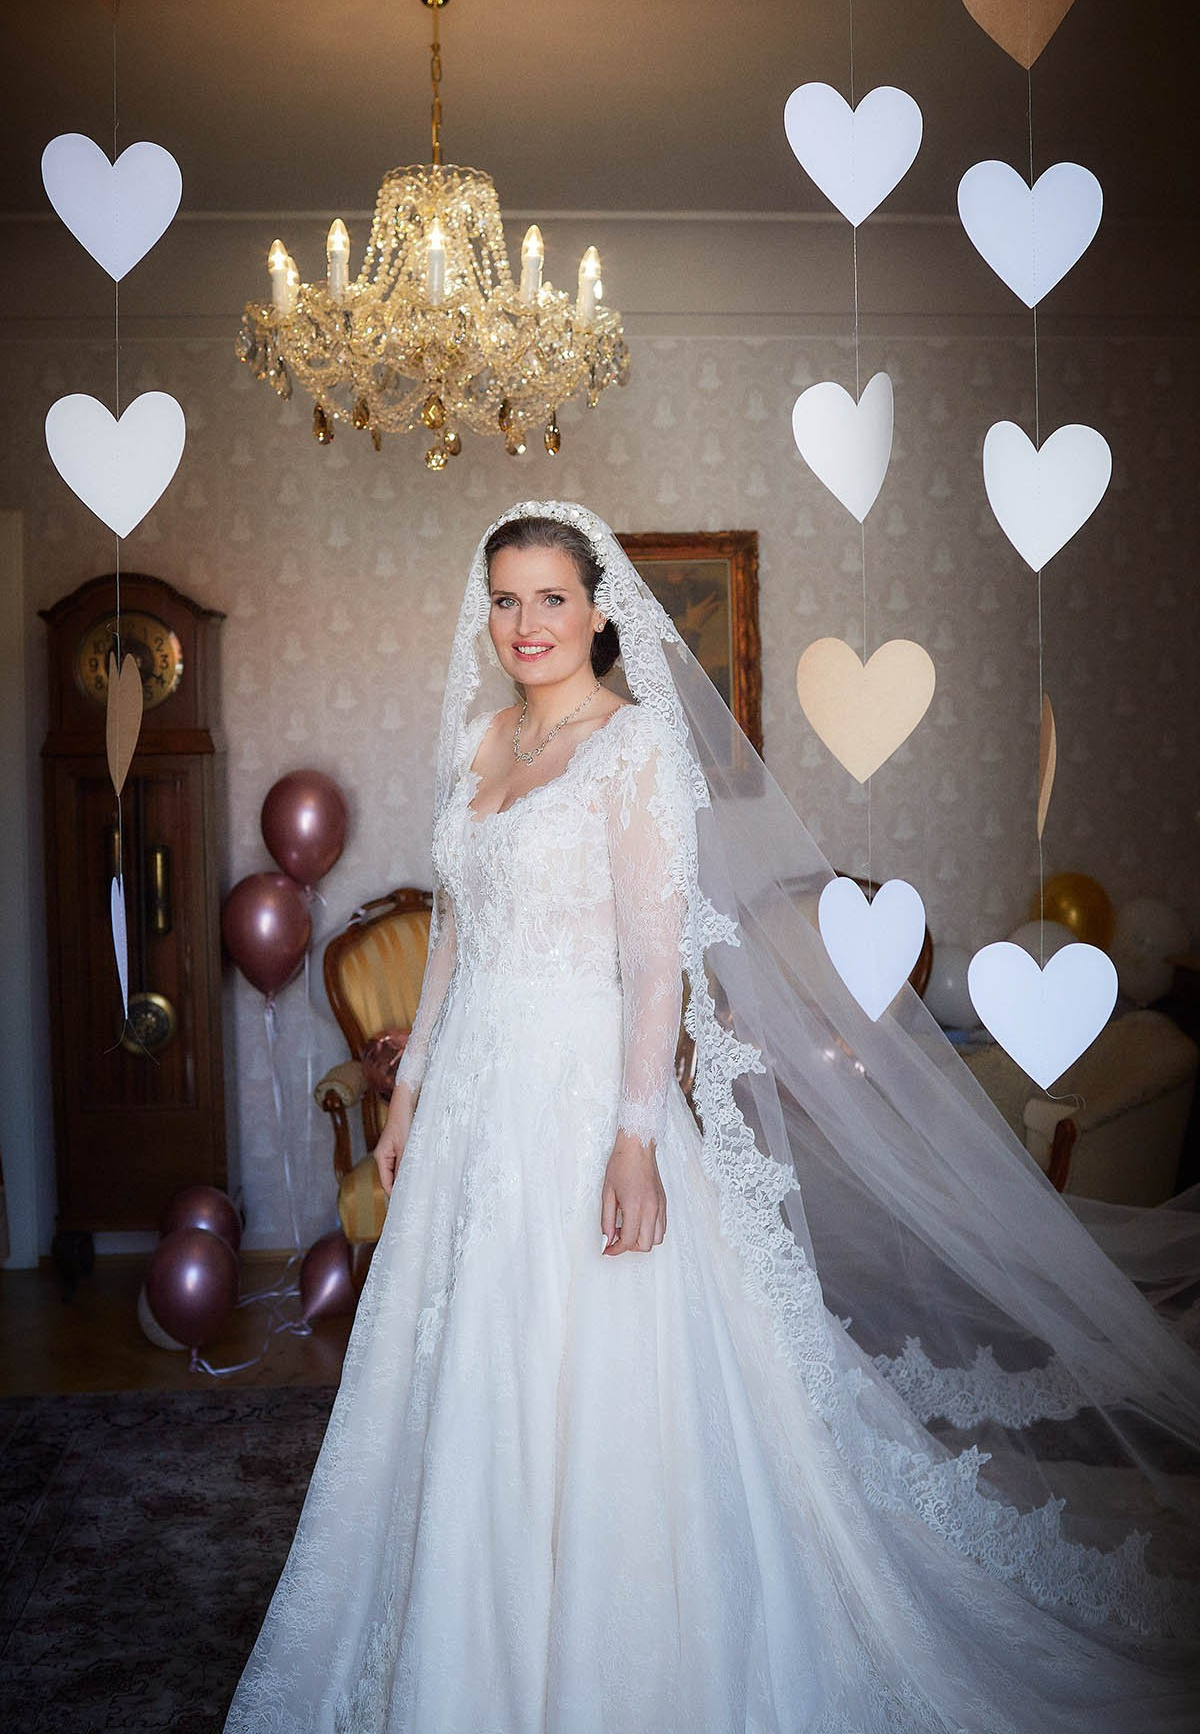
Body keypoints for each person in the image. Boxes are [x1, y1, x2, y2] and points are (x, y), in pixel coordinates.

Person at [225, 500, 1200, 1733]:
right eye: (507, 600)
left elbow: (655, 966)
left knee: (594, 1366)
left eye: (550, 598)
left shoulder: (634, 748)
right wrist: (410, 1089)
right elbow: (458, 934)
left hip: (582, 1095)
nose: (526, 623)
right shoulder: (480, 742)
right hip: (474, 1098)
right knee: (468, 1361)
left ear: (598, 612)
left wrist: (636, 1138)